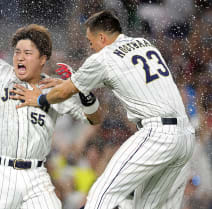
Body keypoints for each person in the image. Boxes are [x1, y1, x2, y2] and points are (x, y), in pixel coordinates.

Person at [10, 10, 196, 209]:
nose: (91, 48)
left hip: (158, 134)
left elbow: (66, 91)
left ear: (102, 37)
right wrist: (72, 83)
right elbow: (115, 80)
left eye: (91, 42)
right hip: (185, 136)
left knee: (103, 192)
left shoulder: (105, 57)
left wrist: (38, 98)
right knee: (148, 206)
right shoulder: (144, 44)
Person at [0, 4, 102, 209]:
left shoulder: (54, 89)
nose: (19, 57)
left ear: (43, 59)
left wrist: (81, 89)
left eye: (27, 53)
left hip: (35, 175)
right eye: (17, 52)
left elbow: (94, 118)